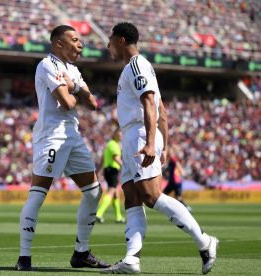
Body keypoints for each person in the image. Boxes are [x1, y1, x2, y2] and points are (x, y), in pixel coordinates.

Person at [101, 22, 218, 274]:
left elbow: (150, 103)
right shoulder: (137, 68)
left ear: (121, 40)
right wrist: (165, 143)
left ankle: (205, 241)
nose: (107, 45)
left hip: (141, 133)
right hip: (134, 135)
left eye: (110, 40)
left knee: (151, 196)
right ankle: (132, 259)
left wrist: (152, 143)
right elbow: (161, 111)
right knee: (132, 197)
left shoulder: (136, 65)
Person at [15, 25, 110, 271]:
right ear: (59, 43)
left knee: (93, 192)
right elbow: (67, 103)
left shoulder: (73, 70)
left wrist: (75, 86)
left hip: (72, 136)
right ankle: (24, 257)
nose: (80, 45)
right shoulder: (47, 65)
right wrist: (74, 90)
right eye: (75, 40)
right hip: (52, 137)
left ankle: (81, 253)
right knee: (38, 193)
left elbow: (93, 103)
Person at [96, 129, 125, 224]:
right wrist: (125, 167)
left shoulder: (109, 144)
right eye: (119, 134)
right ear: (115, 134)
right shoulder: (114, 144)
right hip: (112, 170)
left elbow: (103, 158)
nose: (121, 136)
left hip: (108, 170)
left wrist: (99, 170)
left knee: (116, 193)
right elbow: (115, 158)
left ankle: (118, 217)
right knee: (111, 192)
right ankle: (99, 213)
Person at [163, 147, 193, 212]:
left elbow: (177, 164)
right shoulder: (170, 160)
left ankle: (185, 207)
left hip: (175, 181)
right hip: (175, 181)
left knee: (166, 195)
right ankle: (185, 207)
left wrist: (182, 171)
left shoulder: (173, 159)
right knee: (176, 197)